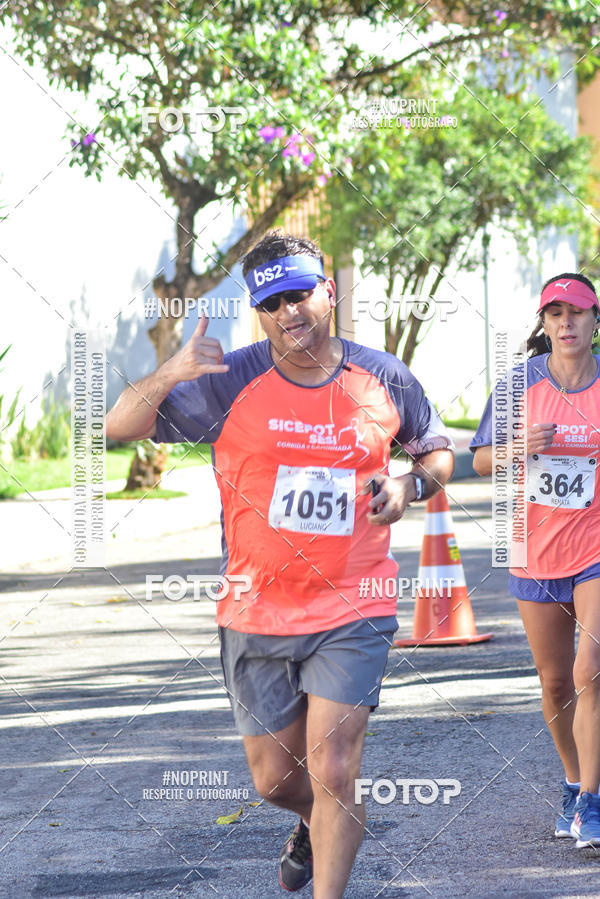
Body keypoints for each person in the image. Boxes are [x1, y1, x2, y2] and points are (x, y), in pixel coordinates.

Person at [106, 230, 454, 895]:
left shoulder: (381, 374)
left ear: (328, 291)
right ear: (258, 312)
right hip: (256, 606)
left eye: (299, 295)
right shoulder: (228, 380)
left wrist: (409, 486)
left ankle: (329, 847)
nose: (288, 313)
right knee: (275, 779)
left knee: (334, 766)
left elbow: (434, 450)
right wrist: (171, 373)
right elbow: (119, 425)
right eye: (271, 304)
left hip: (355, 600)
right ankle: (312, 820)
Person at [471, 272, 600, 848]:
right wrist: (520, 446)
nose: (566, 323)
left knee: (587, 673)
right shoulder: (520, 382)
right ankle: (574, 784)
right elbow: (478, 461)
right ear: (544, 324)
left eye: (576, 313)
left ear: (595, 321)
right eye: (555, 314)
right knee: (554, 684)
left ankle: (593, 804)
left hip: (596, 546)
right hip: (536, 549)